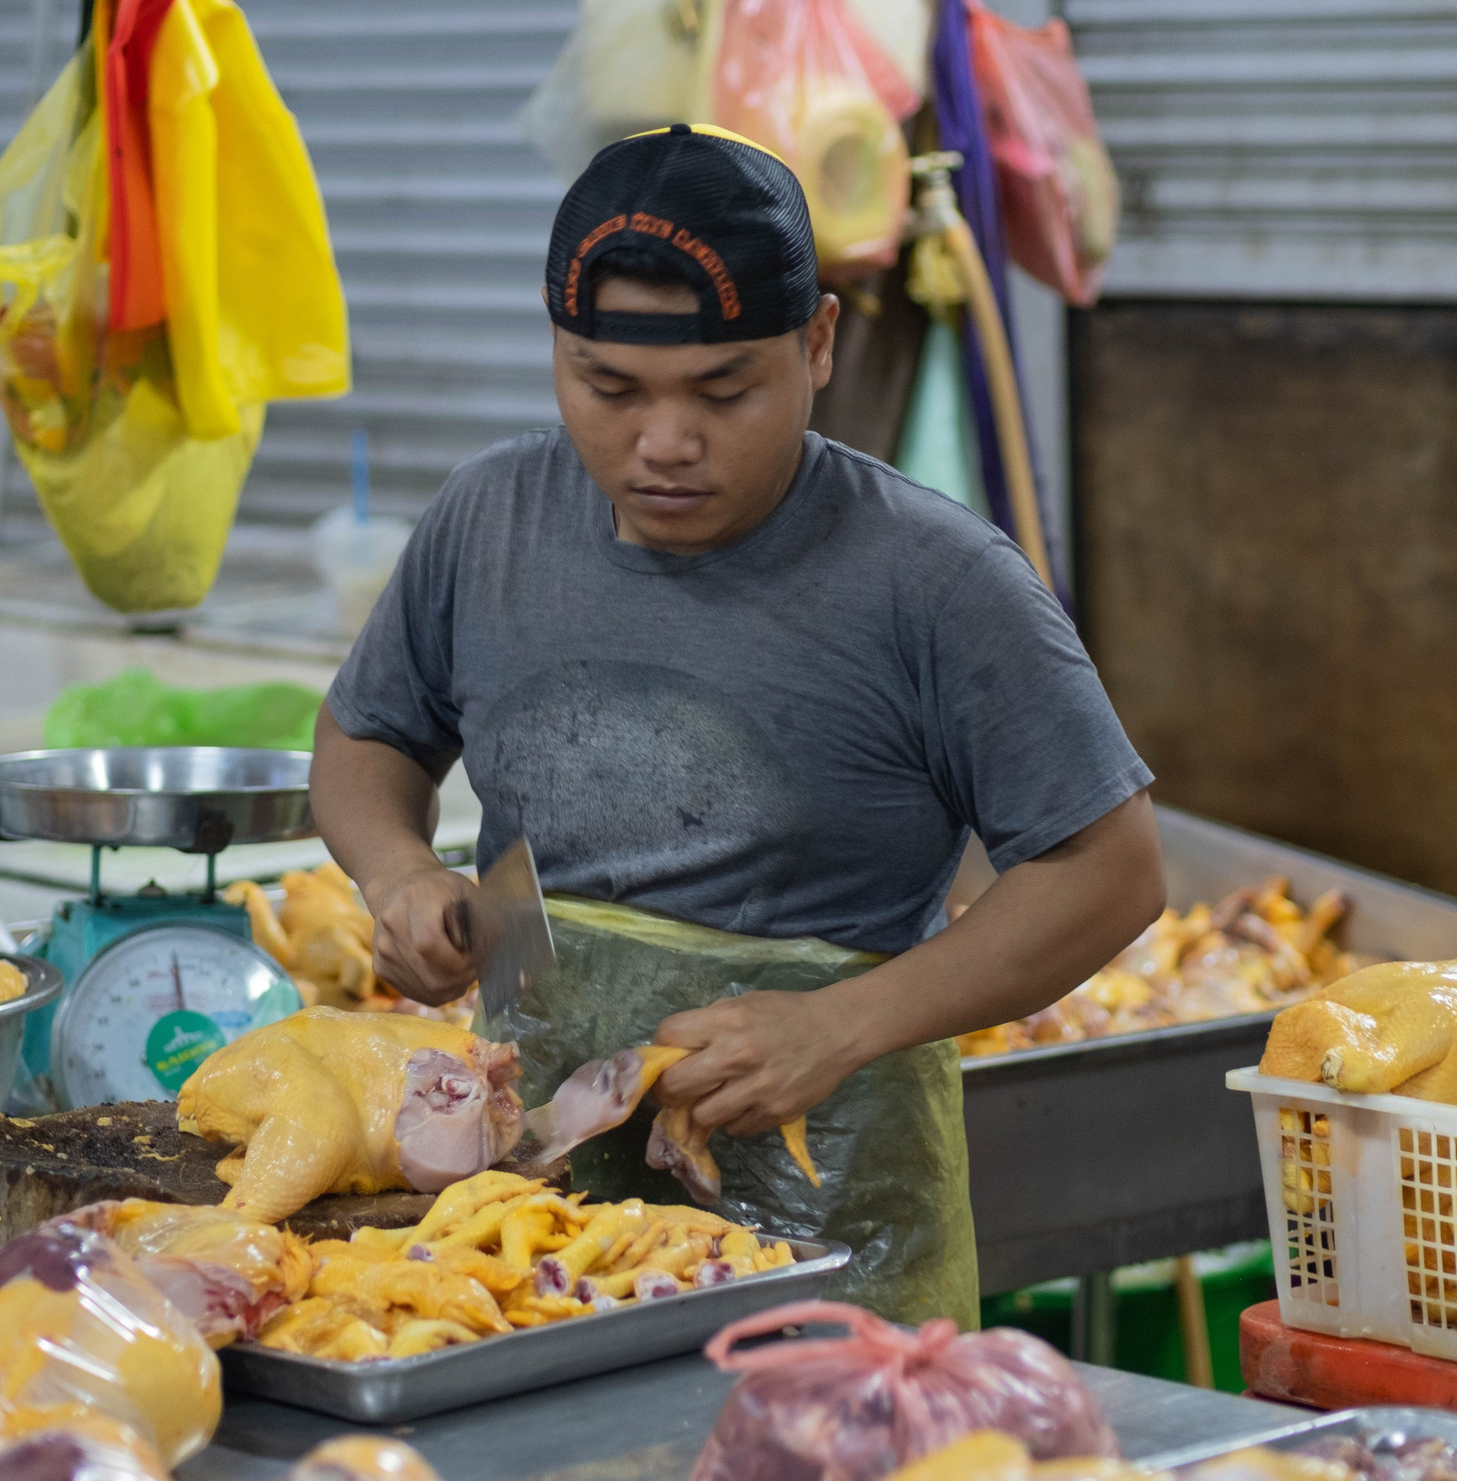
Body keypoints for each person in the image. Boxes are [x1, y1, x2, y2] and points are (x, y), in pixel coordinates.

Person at [311, 124, 1162, 1322]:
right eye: (607, 388)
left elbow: (1109, 870)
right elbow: (366, 738)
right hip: (533, 1213)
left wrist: (836, 1026)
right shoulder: (488, 517)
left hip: (832, 1229)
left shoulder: (935, 581)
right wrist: (399, 872)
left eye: (724, 391)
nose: (662, 443)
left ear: (817, 343)